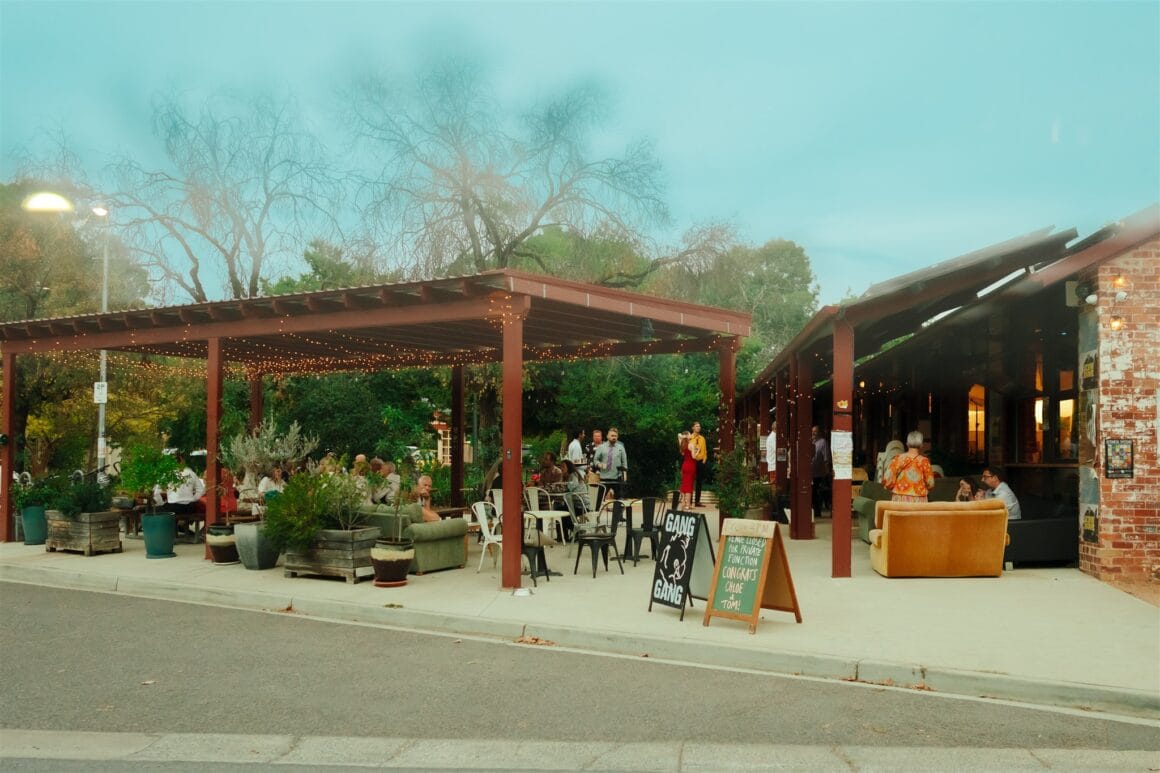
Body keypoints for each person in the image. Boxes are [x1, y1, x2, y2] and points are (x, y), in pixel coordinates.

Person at [882, 431, 935, 502]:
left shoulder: (898, 459)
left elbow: (888, 479)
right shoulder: (924, 461)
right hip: (919, 499)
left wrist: (890, 487)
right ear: (921, 445)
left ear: (907, 444)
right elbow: (930, 483)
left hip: (899, 497)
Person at [593, 427, 628, 500]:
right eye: (612, 436)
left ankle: (618, 507)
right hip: (604, 477)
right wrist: (599, 464)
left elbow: (624, 462)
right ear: (607, 436)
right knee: (599, 499)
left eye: (615, 436)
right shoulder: (601, 447)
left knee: (619, 500)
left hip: (617, 477)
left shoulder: (621, 447)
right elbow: (595, 460)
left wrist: (625, 474)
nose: (614, 437)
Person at [811, 425, 831, 519]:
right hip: (812, 472)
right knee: (813, 492)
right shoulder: (812, 442)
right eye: (812, 431)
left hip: (819, 472)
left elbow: (826, 458)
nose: (813, 433)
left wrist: (827, 472)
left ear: (819, 432)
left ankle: (818, 511)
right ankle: (815, 510)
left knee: (816, 492)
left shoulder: (823, 442)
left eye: (815, 431)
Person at [688, 421, 708, 507]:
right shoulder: (690, 438)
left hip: (700, 462)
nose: (698, 427)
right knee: (691, 481)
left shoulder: (702, 439)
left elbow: (705, 451)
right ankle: (689, 501)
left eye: (699, 426)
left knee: (699, 482)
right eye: (696, 426)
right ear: (693, 428)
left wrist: (704, 461)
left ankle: (697, 502)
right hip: (692, 461)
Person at [678, 431, 696, 510]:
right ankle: (688, 504)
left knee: (684, 484)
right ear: (687, 435)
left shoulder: (683, 444)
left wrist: (684, 437)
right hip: (691, 465)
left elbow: (678, 435)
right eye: (689, 434)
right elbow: (694, 457)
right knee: (689, 485)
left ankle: (683, 503)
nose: (691, 435)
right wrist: (697, 451)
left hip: (684, 465)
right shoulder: (691, 444)